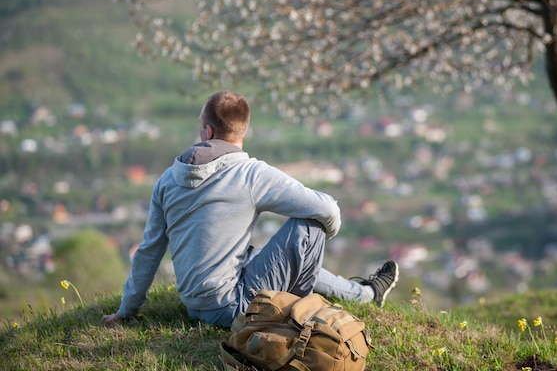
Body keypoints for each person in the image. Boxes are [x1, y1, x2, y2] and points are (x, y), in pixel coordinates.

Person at [102, 91, 399, 328]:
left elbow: (149, 251)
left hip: (195, 305)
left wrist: (127, 311)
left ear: (207, 130)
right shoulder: (250, 174)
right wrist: (321, 239)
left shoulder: (167, 179)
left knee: (255, 255)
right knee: (310, 226)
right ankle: (300, 315)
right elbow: (328, 210)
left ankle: (367, 295)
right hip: (233, 307)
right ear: (242, 130)